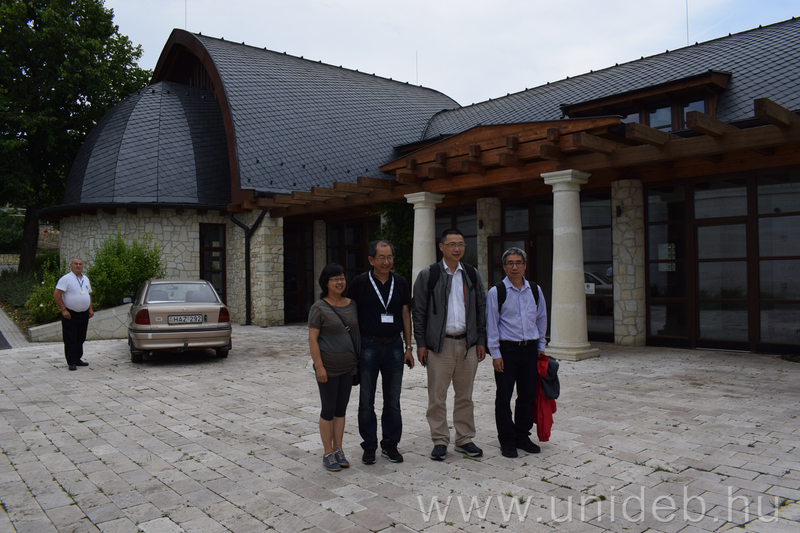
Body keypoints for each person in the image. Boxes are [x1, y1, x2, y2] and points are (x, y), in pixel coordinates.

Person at [412, 229, 486, 461]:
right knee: (437, 397)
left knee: (465, 396)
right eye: (452, 244)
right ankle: (440, 440)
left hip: (467, 345)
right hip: (439, 345)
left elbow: (481, 308)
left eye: (461, 244)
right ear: (441, 246)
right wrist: (421, 343)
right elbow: (419, 311)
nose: (457, 248)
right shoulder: (429, 275)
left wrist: (481, 340)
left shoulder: (471, 274)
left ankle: (464, 439)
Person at [346, 240, 414, 465]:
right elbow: (349, 311)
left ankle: (390, 444)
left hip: (394, 347)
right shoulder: (360, 282)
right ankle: (369, 445)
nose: (386, 261)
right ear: (371, 260)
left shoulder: (400, 282)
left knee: (393, 400)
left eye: (390, 257)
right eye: (381, 257)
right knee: (366, 400)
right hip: (369, 347)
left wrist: (408, 347)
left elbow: (405, 314)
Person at [485, 247, 547, 458]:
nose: (514, 267)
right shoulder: (497, 292)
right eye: (510, 263)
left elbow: (541, 318)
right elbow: (491, 325)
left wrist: (540, 346)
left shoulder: (535, 290)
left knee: (527, 396)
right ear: (504, 266)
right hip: (507, 351)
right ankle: (507, 440)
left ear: (525, 265)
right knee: (504, 397)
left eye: (518, 262)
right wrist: (495, 354)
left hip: (530, 350)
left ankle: (522, 436)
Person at [308, 264, 360, 472]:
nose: (340, 282)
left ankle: (339, 448)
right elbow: (313, 339)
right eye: (335, 279)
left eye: (342, 278)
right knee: (328, 409)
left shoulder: (352, 305)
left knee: (341, 410)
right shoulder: (318, 308)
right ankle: (327, 452)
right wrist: (319, 366)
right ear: (326, 283)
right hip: (327, 369)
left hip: (348, 367)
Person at [53, 258, 94, 371]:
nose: (78, 266)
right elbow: (56, 294)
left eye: (80, 264)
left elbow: (88, 294)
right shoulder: (66, 279)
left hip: (83, 314)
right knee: (70, 338)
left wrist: (90, 308)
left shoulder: (85, 279)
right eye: (76, 264)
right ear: (71, 265)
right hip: (70, 314)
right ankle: (71, 361)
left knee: (81, 337)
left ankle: (77, 358)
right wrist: (63, 310)